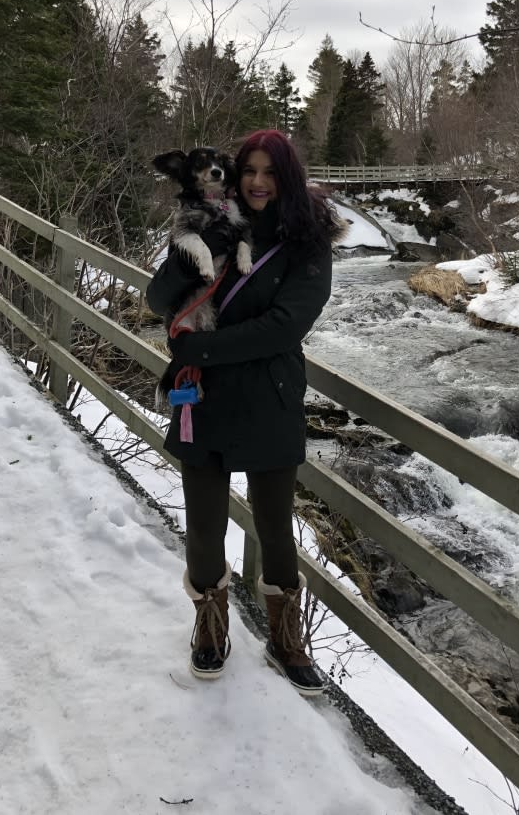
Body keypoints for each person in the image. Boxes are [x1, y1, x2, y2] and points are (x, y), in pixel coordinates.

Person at [146, 129, 343, 695]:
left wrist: (200, 349)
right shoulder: (212, 225)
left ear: (288, 178)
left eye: (270, 172)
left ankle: (286, 637)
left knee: (276, 526)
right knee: (205, 526)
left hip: (270, 397)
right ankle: (210, 626)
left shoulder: (308, 242)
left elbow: (287, 326)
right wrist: (186, 268)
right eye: (249, 171)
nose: (257, 182)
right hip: (202, 398)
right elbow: (159, 301)